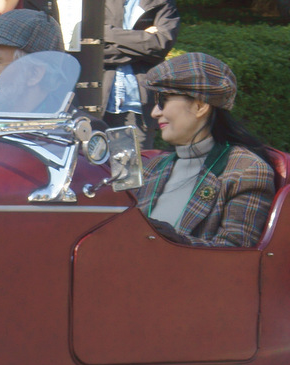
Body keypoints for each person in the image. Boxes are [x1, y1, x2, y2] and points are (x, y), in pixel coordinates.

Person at [131, 53, 275, 248]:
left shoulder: (245, 170)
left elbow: (236, 253)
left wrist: (172, 241)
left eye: (163, 100)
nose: (155, 112)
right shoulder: (152, 167)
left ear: (200, 106)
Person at [102, 0, 179, 148]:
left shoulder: (161, 2)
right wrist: (142, 42)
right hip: (97, 104)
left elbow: (160, 45)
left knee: (132, 169)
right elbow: (90, 49)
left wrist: (107, 33)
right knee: (90, 169)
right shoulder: (90, 4)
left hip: (138, 107)